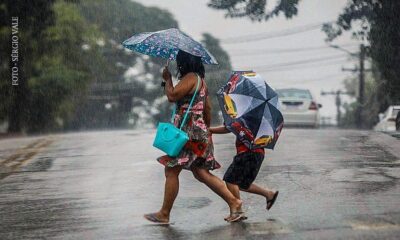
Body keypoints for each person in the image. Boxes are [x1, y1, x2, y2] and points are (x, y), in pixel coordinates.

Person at [144, 50, 243, 224]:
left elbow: (172, 96)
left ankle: (164, 214)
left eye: (179, 61)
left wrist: (167, 79)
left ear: (184, 63)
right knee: (200, 172)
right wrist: (206, 131)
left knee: (172, 170)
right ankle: (234, 202)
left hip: (188, 133)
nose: (177, 65)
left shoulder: (190, 77)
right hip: (198, 131)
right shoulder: (201, 81)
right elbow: (208, 109)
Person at [209, 125, 279, 221]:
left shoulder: (244, 116)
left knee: (230, 180)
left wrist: (209, 129)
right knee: (241, 184)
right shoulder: (257, 117)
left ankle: (237, 211)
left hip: (247, 152)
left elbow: (228, 127)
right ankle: (269, 194)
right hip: (258, 153)